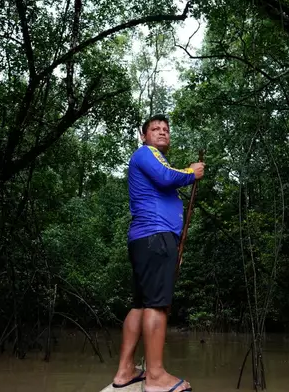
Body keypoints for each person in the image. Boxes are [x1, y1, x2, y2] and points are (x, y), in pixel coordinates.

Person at [111, 114, 204, 392]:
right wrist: (192, 172)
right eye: (155, 129)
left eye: (165, 129)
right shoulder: (145, 153)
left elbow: (164, 180)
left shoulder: (154, 158)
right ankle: (155, 376)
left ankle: (125, 371)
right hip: (155, 237)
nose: (162, 132)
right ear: (144, 135)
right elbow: (166, 178)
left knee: (140, 304)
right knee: (156, 305)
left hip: (147, 240)